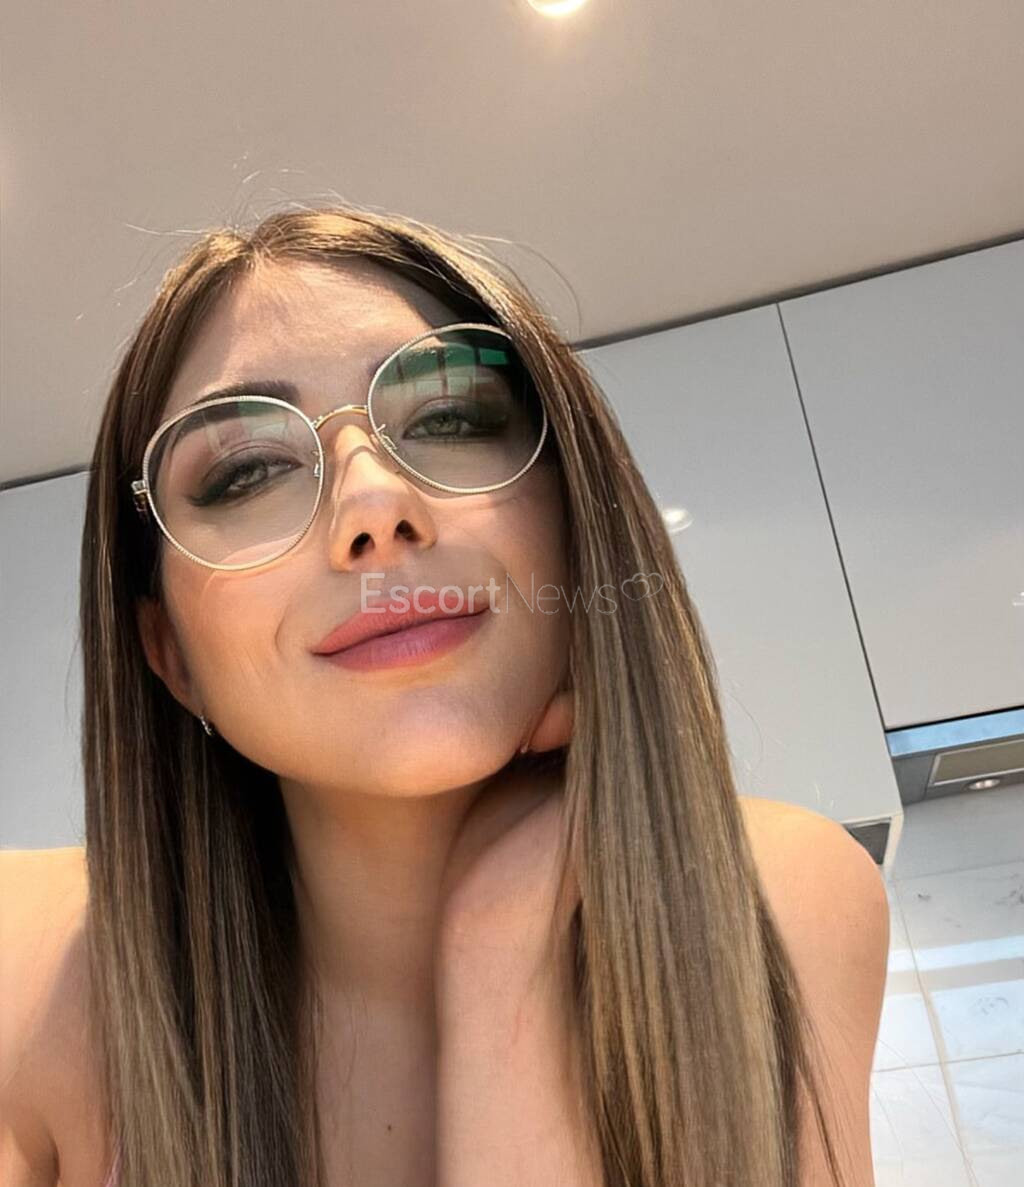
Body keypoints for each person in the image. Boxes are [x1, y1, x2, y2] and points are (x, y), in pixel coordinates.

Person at [0, 204, 889, 1187]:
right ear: (171, 653)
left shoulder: (784, 896)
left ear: (577, 519)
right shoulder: (24, 966)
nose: (374, 505)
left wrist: (505, 957)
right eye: (247, 472)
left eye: (451, 418)